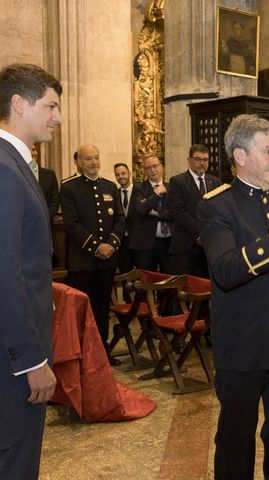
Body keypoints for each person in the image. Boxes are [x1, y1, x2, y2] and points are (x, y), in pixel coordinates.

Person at [198, 114, 269, 480]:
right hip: (243, 345)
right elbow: (227, 272)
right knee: (236, 444)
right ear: (241, 155)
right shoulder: (216, 205)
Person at [0, 63, 60, 479]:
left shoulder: (14, 164)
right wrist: (31, 360)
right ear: (19, 104)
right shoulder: (5, 169)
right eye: (51, 106)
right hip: (12, 362)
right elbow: (6, 275)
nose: (58, 116)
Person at [59, 144, 125, 366]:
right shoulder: (69, 188)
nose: (94, 162)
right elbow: (72, 224)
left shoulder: (110, 187)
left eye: (96, 158)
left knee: (102, 307)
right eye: (88, 159)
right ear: (78, 162)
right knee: (82, 310)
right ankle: (82, 355)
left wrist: (111, 245)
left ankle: (102, 352)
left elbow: (120, 219)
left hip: (107, 261)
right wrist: (97, 247)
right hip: (83, 261)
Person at [167, 144, 221, 277]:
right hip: (186, 246)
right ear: (189, 160)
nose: (201, 163)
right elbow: (178, 212)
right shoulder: (177, 181)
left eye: (205, 160)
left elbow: (219, 211)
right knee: (185, 291)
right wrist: (201, 233)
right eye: (197, 159)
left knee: (206, 289)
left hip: (209, 248)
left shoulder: (215, 182)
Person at [129, 154, 173, 273]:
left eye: (155, 166)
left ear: (161, 167)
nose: (153, 170)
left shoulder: (172, 187)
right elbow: (141, 210)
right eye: (148, 168)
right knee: (146, 283)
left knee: (169, 283)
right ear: (144, 171)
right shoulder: (138, 188)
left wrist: (156, 213)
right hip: (146, 245)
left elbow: (174, 213)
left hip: (168, 243)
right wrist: (156, 193)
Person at [114, 162, 134, 273]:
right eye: (117, 174)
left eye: (123, 173)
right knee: (125, 273)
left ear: (129, 173)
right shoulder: (114, 194)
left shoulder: (140, 191)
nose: (121, 177)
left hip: (138, 240)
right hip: (122, 241)